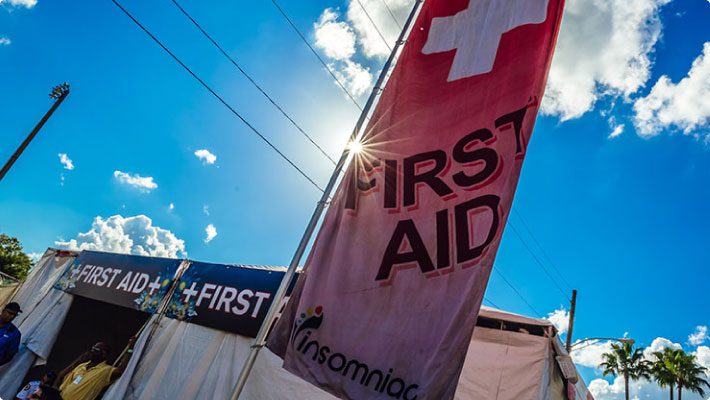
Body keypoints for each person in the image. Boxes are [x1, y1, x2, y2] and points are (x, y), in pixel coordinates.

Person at [58, 337, 136, 400]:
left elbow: (120, 369)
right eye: (93, 348)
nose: (92, 351)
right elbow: (65, 384)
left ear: (104, 354)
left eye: (96, 350)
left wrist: (130, 349)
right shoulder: (81, 366)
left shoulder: (105, 370)